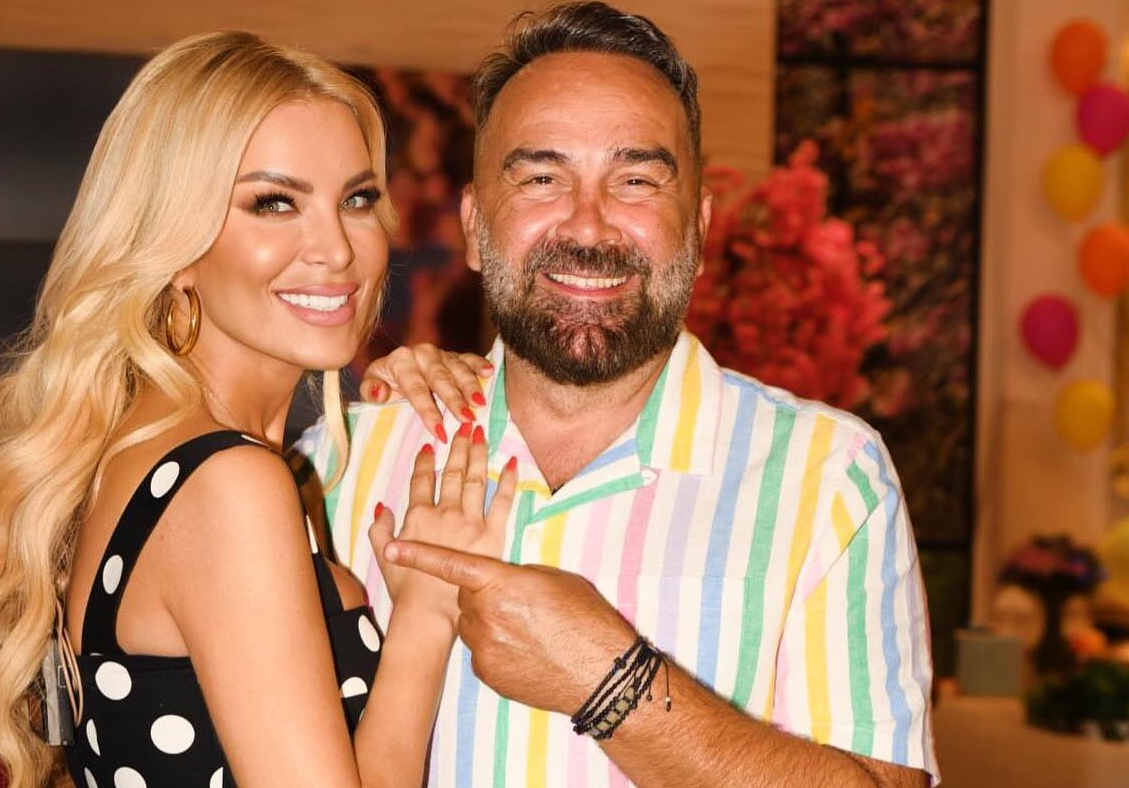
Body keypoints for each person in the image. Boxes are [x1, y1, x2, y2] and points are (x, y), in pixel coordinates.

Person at [294, 3, 938, 786]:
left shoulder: (829, 476)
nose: (588, 226)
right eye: (541, 177)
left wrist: (611, 682)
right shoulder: (342, 463)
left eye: (635, 180)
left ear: (698, 228)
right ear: (473, 225)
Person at [0, 32, 517, 788]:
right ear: (176, 246)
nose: (336, 248)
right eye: (274, 203)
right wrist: (423, 623)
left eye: (357, 199)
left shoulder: (150, 459)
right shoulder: (227, 483)